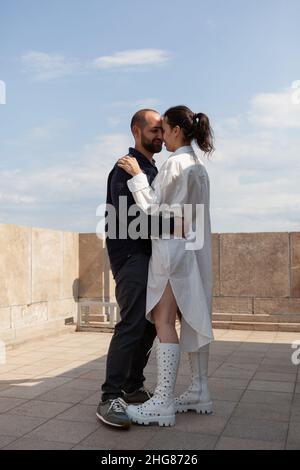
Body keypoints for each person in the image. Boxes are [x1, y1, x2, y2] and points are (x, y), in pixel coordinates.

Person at [117, 105, 215, 426]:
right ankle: (200, 389)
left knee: (164, 321)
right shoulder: (198, 167)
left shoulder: (174, 164)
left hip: (171, 253)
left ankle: (161, 401)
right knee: (194, 316)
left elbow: (152, 210)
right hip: (194, 250)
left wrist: (137, 176)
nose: (162, 137)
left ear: (176, 130)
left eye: (164, 129)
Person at [97, 109, 180, 429]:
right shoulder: (125, 168)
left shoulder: (150, 168)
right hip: (132, 257)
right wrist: (178, 223)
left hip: (152, 256)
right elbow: (134, 221)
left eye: (162, 131)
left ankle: (132, 387)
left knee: (150, 325)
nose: (160, 136)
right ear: (136, 131)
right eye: (154, 130)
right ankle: (110, 396)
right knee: (132, 323)